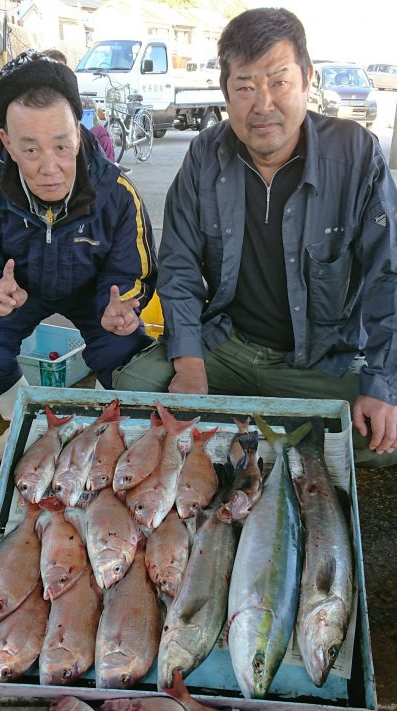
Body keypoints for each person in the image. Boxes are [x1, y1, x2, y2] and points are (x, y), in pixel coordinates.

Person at [114, 7, 397, 467]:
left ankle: (241, 433)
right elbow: (181, 266)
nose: (262, 104)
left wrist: (383, 386)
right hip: (229, 344)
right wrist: (189, 364)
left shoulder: (356, 153)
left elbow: (390, 275)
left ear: (307, 80)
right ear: (225, 93)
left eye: (279, 81)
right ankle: (278, 437)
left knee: (387, 431)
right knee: (134, 391)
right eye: (244, 87)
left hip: (321, 359)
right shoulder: (205, 154)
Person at [0, 50, 156, 461]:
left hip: (93, 292)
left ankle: (100, 425)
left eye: (61, 146)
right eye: (30, 150)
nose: (49, 167)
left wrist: (126, 304)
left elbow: (134, 271)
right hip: (19, 293)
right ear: (6, 141)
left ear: (78, 134)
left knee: (127, 350)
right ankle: (26, 422)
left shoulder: (117, 192)